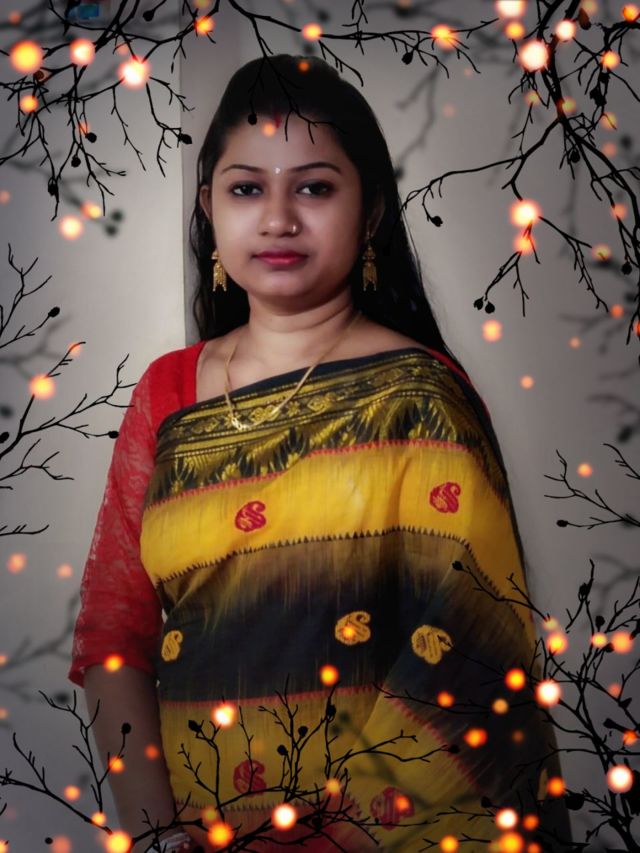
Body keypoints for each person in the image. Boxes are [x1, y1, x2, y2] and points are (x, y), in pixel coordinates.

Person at [69, 54, 572, 852]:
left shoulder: (418, 395)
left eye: (313, 188)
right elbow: (112, 631)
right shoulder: (168, 394)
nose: (277, 218)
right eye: (246, 189)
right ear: (208, 207)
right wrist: (158, 832)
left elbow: (470, 650)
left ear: (369, 213)